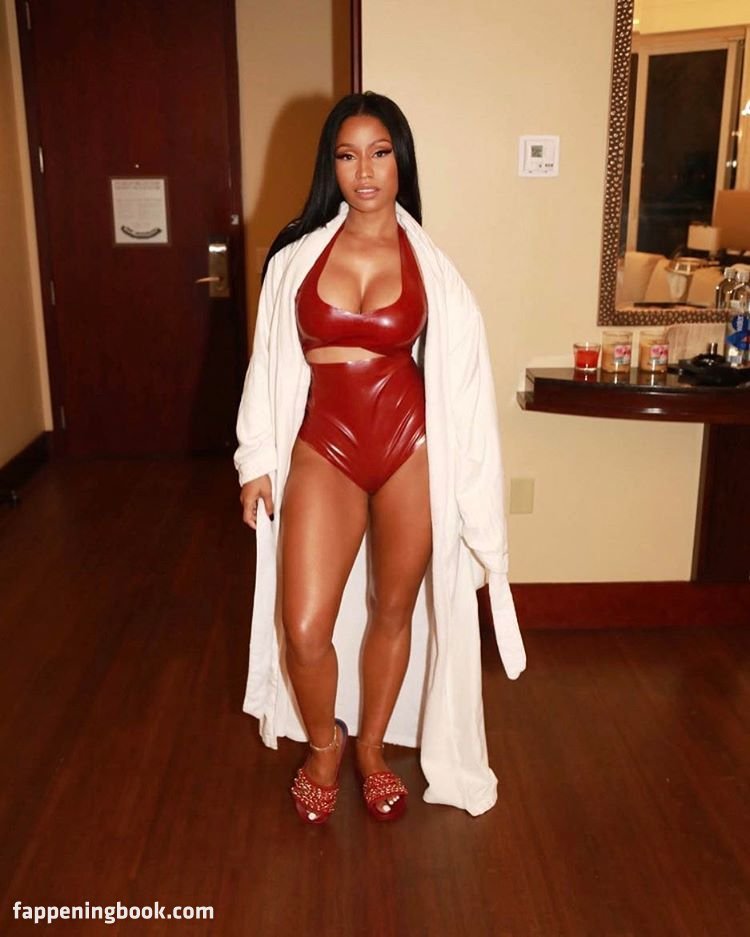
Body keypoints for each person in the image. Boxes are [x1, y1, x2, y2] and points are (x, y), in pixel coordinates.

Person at [234, 92, 526, 824]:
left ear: (401, 162)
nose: (364, 170)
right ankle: (323, 745)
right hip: (324, 445)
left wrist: (475, 498)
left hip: (410, 448)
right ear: (330, 166)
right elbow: (267, 362)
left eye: (380, 152)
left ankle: (370, 749)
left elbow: (464, 378)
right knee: (305, 626)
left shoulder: (434, 267)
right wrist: (255, 458)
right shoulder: (296, 257)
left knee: (393, 611)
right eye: (347, 155)